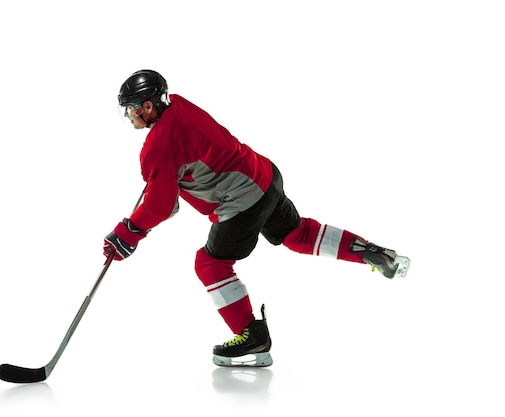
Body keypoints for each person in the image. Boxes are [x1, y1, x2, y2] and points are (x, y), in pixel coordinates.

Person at [103, 69, 410, 367]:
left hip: (242, 200)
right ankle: (371, 252)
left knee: (209, 263)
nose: (128, 116)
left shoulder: (157, 146)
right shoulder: (180, 104)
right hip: (265, 176)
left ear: (147, 106)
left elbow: (163, 205)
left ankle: (252, 336)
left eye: (130, 109)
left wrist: (128, 232)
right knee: (298, 234)